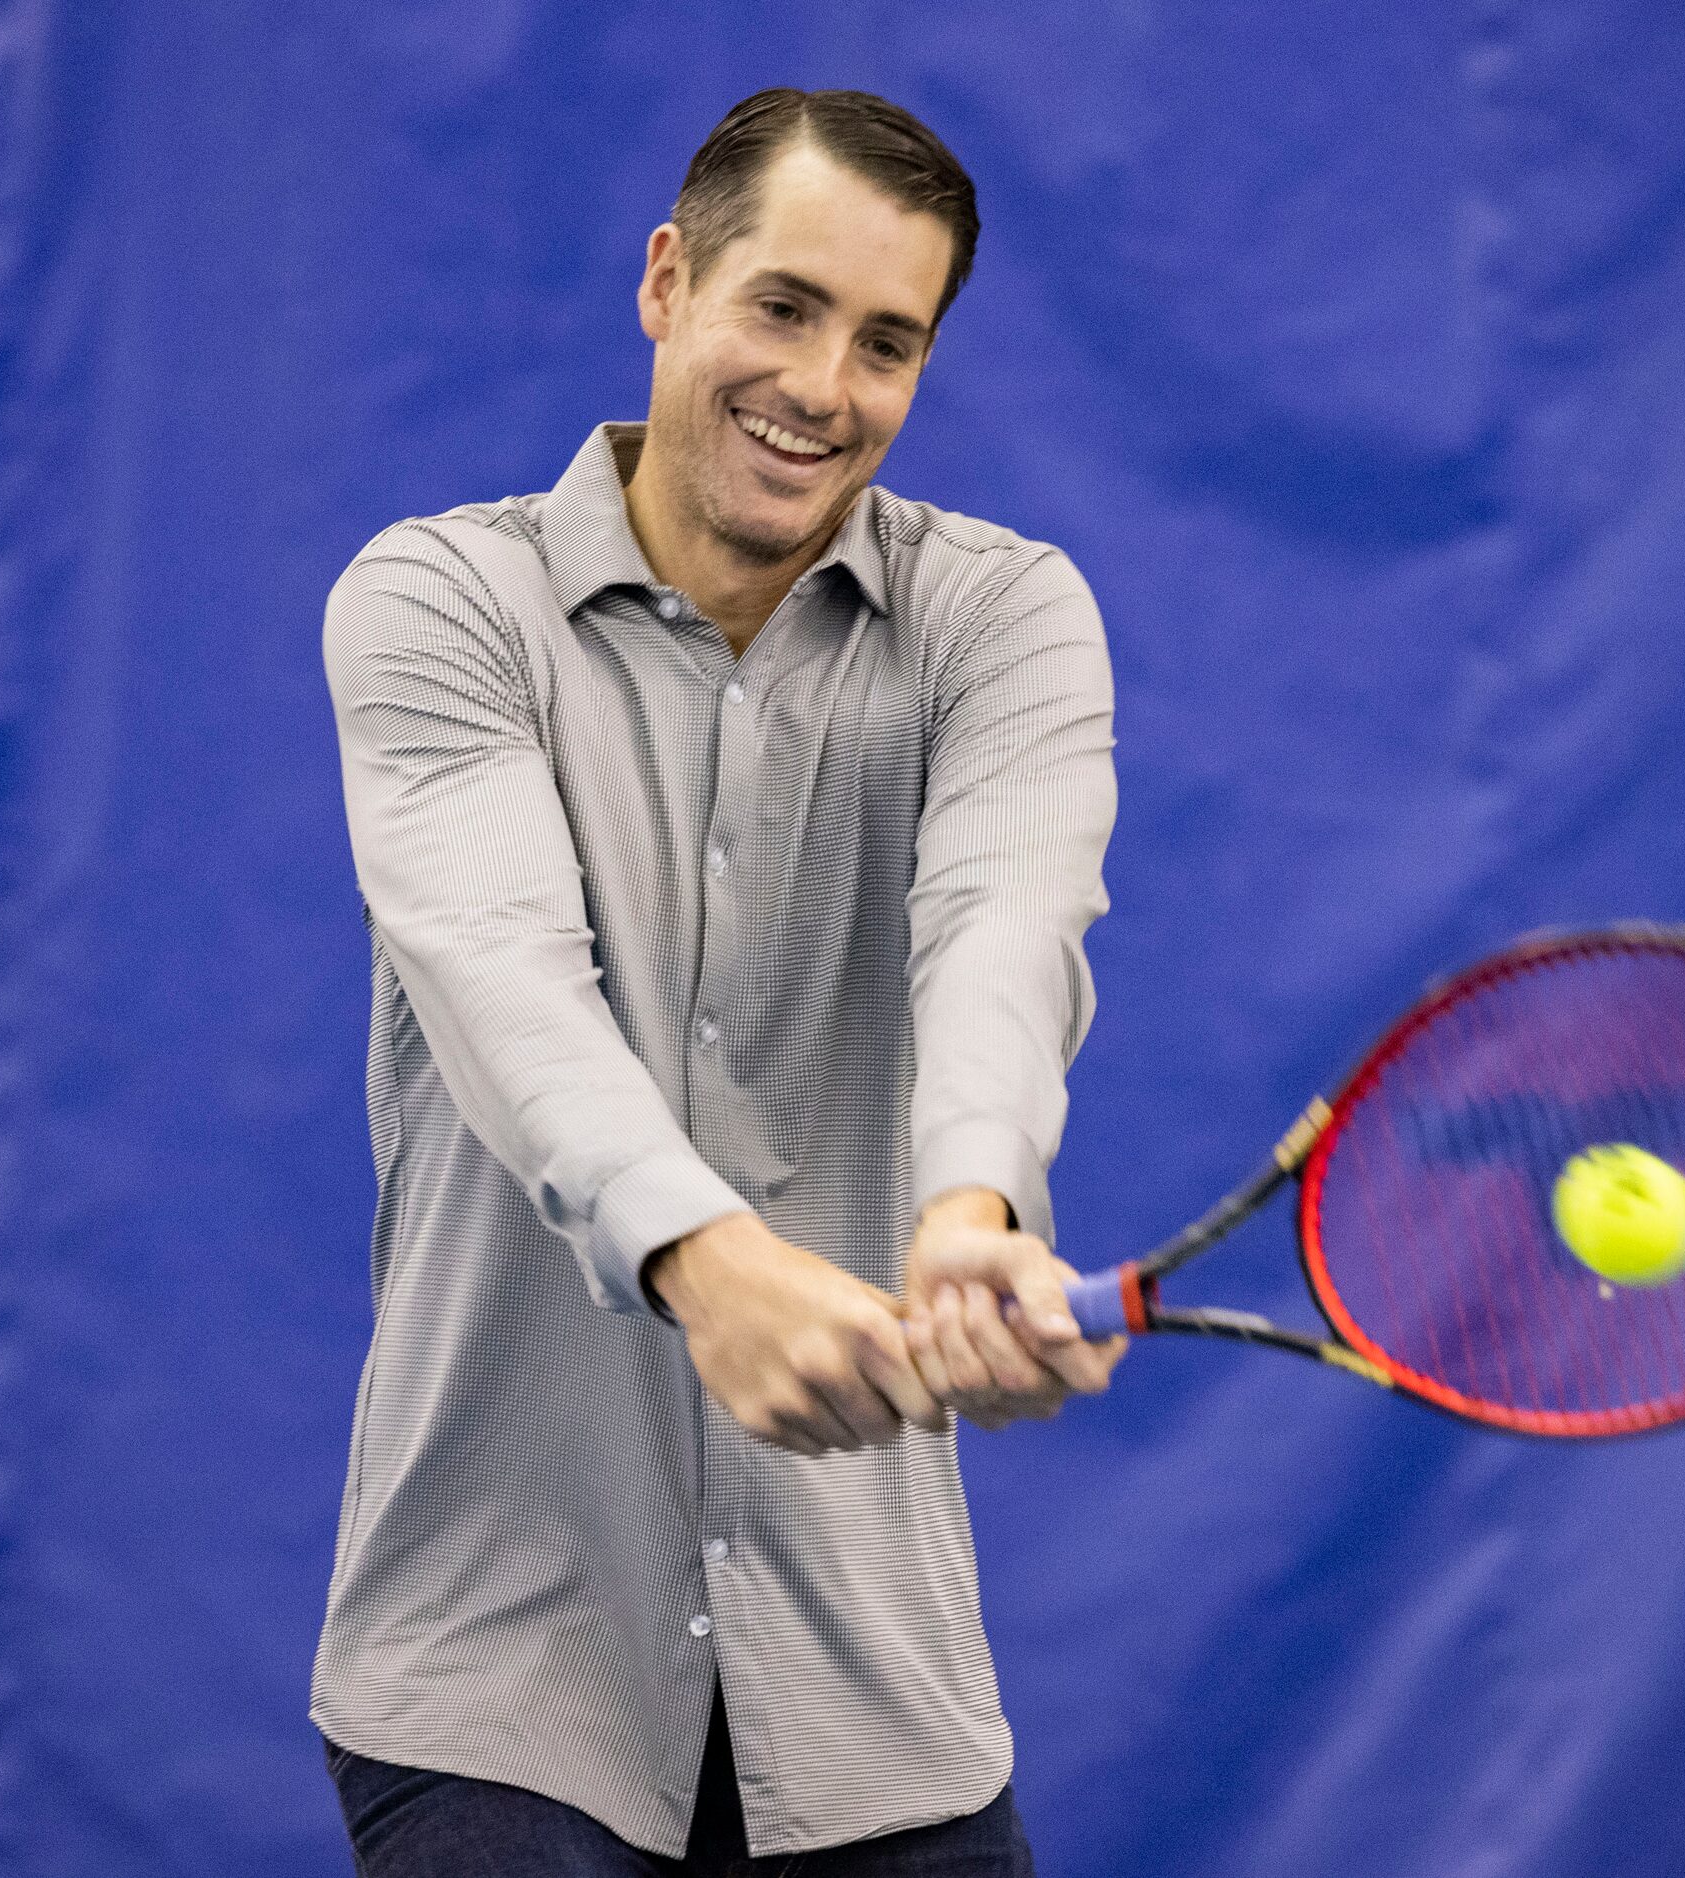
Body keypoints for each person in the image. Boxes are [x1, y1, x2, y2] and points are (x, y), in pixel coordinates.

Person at [314, 87, 1124, 1876]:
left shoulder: (1009, 619)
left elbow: (1006, 919)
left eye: (888, 341)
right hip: (496, 1674)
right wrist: (712, 1260)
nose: (824, 386)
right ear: (669, 282)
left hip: (877, 1701)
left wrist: (970, 1203)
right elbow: (508, 983)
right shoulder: (439, 603)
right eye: (784, 304)